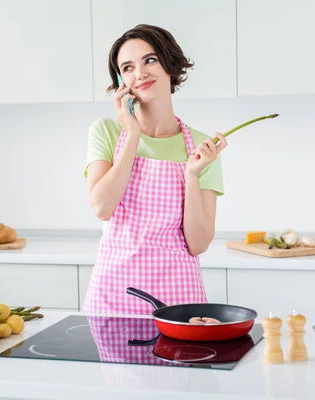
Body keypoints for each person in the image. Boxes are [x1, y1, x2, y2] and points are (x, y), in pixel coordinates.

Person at [82, 24, 227, 316]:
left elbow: (198, 244)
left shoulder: (202, 146)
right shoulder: (107, 132)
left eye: (150, 60)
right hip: (113, 296)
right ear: (122, 82)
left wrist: (191, 173)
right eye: (128, 67)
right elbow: (101, 207)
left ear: (170, 63)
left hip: (179, 298)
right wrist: (133, 133)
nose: (140, 73)